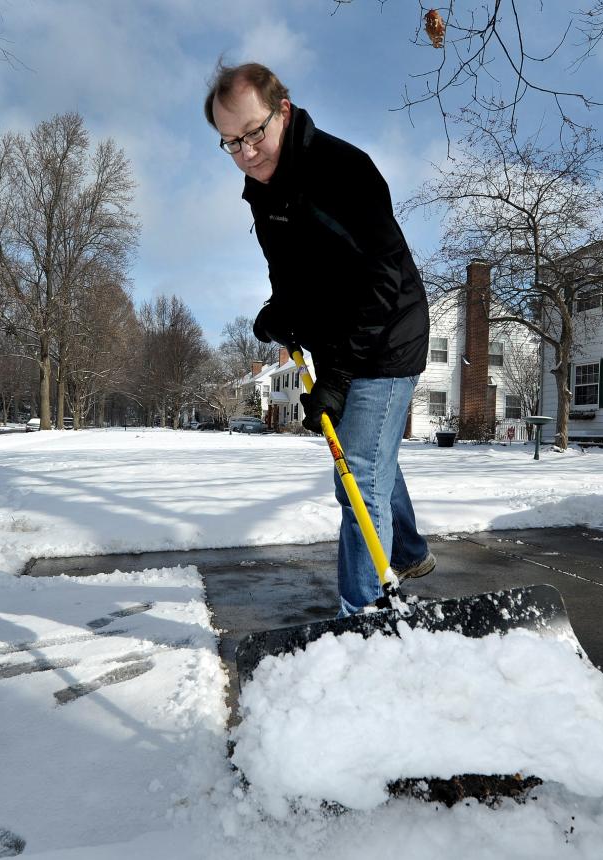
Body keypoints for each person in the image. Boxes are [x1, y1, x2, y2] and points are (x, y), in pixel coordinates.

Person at [205, 62, 436, 616]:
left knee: (355, 476)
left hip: (387, 336)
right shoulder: (263, 192)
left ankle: (365, 611)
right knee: (370, 459)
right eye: (231, 142)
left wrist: (337, 375)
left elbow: (381, 281)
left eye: (254, 133)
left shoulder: (344, 170)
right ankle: (406, 550)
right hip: (341, 342)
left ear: (283, 109)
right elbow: (292, 272)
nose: (246, 152)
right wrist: (279, 312)